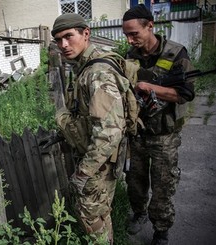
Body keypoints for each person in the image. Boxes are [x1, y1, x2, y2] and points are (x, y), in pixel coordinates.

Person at [50, 13, 129, 244]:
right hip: (98, 160)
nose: (63, 45)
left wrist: (82, 173)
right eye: (57, 40)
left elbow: (109, 132)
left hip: (98, 165)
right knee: (100, 215)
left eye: (68, 36)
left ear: (86, 33)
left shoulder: (97, 73)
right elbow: (86, 117)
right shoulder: (83, 67)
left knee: (91, 217)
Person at [122, 4, 196, 245]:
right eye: (127, 35)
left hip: (165, 134)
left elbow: (185, 94)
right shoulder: (130, 57)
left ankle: (161, 231)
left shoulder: (176, 53)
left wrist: (150, 88)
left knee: (163, 184)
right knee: (135, 179)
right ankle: (139, 214)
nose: (130, 39)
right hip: (138, 132)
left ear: (150, 26)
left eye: (134, 33)